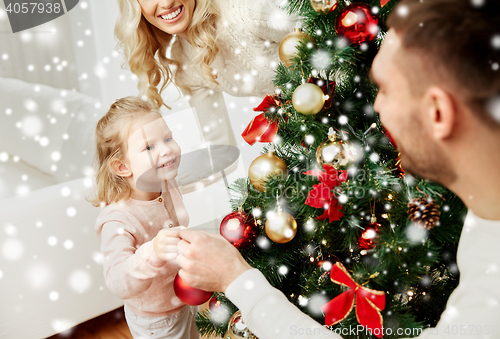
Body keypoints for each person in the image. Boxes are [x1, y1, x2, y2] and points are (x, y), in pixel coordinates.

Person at [169, 0, 500, 338]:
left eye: (385, 89)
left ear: (438, 113)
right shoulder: (485, 217)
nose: (376, 104)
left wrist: (237, 280)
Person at [115, 0, 298, 191]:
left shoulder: (244, 10)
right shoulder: (183, 63)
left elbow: (323, 26)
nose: (167, 2)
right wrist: (155, 183)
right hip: (312, 123)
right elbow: (221, 152)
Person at [90, 96, 199, 339]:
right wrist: (153, 252)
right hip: (156, 321)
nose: (167, 149)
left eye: (168, 138)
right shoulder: (118, 219)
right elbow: (118, 280)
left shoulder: (165, 182)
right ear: (122, 167)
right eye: (149, 147)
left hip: (185, 301)